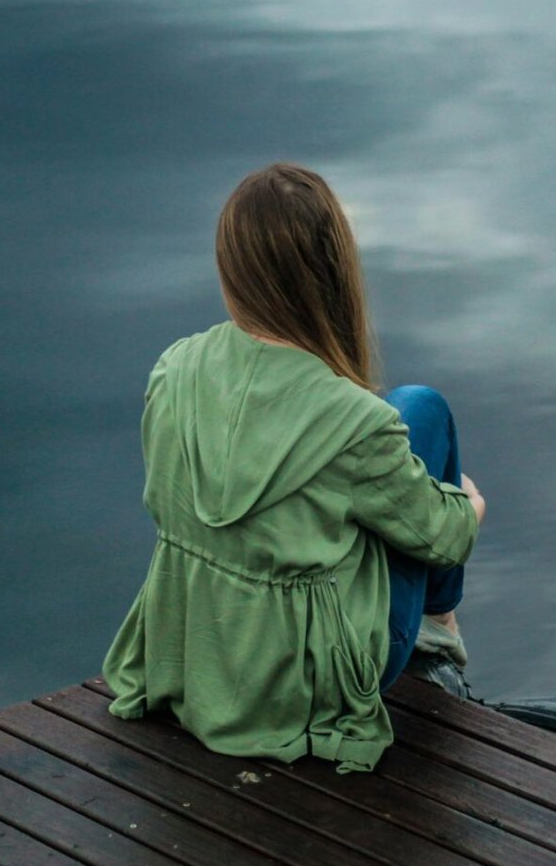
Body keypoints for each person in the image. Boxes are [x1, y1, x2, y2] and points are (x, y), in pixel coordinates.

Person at [101, 162, 485, 773]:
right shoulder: (357, 423)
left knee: (399, 424)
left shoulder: (173, 370)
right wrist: (467, 502)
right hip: (306, 690)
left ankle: (432, 625)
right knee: (422, 409)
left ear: (232, 269)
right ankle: (439, 629)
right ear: (332, 273)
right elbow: (449, 538)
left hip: (199, 659)